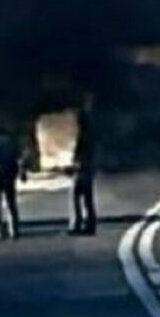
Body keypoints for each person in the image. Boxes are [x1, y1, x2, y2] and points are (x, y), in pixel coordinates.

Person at [67, 96, 97, 236]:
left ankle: (77, 223)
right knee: (87, 198)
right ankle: (90, 224)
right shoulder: (90, 135)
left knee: (75, 196)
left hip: (82, 169)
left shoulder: (82, 137)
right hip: (88, 169)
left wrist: (74, 165)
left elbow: (79, 155)